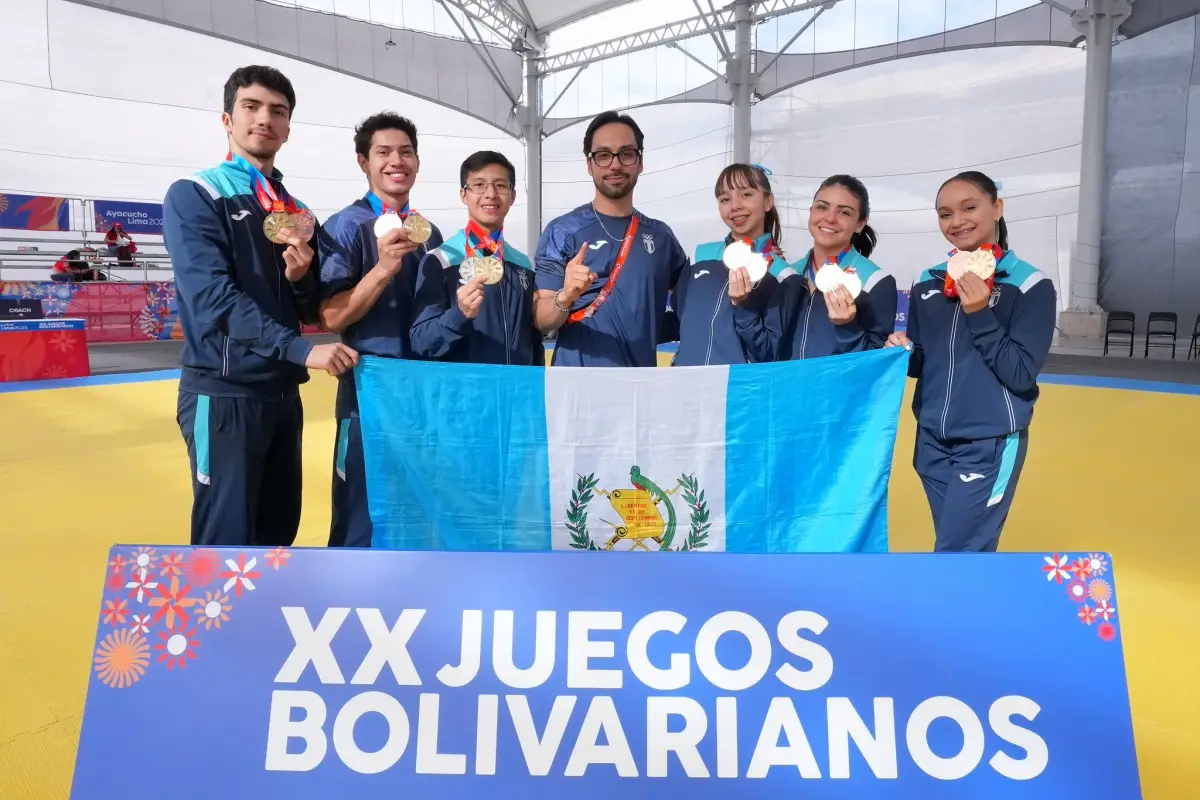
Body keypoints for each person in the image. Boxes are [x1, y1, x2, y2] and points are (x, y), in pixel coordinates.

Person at [164, 65, 358, 548]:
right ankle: (214, 626)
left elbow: (309, 305)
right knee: (226, 538)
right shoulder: (196, 194)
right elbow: (211, 297)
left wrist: (297, 280)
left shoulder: (294, 209)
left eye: (278, 111)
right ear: (227, 119)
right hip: (224, 393)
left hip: (281, 395)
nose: (264, 119)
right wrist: (299, 349)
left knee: (276, 535)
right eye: (251, 107)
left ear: (288, 128)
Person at [885, 170, 1056, 553]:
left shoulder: (1028, 285)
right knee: (963, 549)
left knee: (959, 551)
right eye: (945, 213)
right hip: (930, 441)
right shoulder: (930, 282)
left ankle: (951, 613)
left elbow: (1020, 372)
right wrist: (900, 352)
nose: (956, 221)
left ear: (997, 208)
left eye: (969, 207)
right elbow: (925, 362)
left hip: (987, 442)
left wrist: (979, 312)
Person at [317, 112, 443, 548]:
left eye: (406, 152)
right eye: (384, 152)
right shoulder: (346, 226)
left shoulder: (429, 233)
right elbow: (332, 317)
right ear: (363, 162)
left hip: (420, 400)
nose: (397, 161)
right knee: (359, 518)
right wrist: (383, 270)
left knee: (416, 515)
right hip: (366, 397)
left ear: (417, 162)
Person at [533, 111, 689, 367]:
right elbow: (541, 320)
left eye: (626, 154)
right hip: (576, 390)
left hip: (640, 389)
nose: (615, 165)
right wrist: (566, 296)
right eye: (603, 155)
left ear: (639, 162)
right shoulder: (562, 231)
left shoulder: (662, 237)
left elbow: (690, 308)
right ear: (589, 165)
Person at [739, 175, 896, 362]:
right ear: (811, 211)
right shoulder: (788, 275)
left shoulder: (875, 281)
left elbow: (876, 365)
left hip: (837, 391)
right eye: (822, 207)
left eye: (844, 212)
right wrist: (742, 305)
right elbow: (765, 351)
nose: (830, 218)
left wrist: (847, 327)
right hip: (785, 389)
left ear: (860, 224)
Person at [411, 151, 542, 366]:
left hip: (516, 394)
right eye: (479, 185)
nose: (490, 194)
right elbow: (421, 342)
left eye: (500, 185)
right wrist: (459, 314)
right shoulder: (441, 260)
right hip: (465, 396)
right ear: (464, 195)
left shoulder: (523, 264)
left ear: (513, 195)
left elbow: (532, 340)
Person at [667, 163, 787, 366]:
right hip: (685, 385)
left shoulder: (782, 275)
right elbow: (680, 317)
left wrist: (743, 307)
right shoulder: (699, 256)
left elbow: (770, 353)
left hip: (736, 391)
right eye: (725, 199)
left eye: (746, 194)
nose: (735, 206)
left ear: (768, 201)